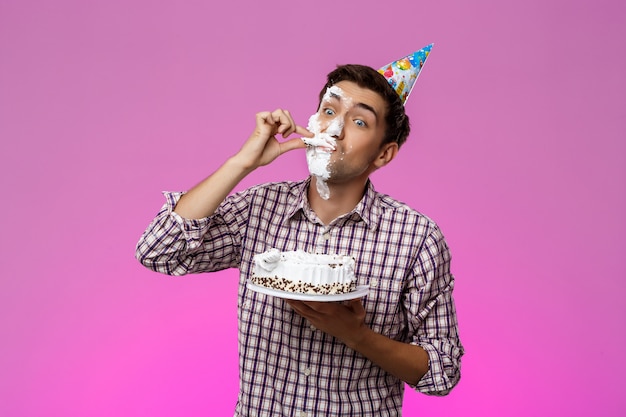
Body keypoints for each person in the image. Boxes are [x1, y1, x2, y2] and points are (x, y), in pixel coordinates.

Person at [136, 45, 463, 416]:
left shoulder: (416, 238)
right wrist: (242, 163)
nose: (335, 128)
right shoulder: (258, 209)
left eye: (359, 122)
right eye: (329, 110)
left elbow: (442, 370)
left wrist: (356, 336)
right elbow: (158, 250)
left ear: (383, 154)